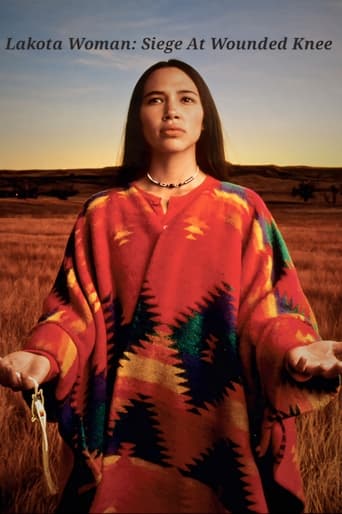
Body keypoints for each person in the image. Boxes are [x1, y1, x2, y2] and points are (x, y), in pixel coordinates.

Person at [0, 59, 341, 514]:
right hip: (122, 433)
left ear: (205, 120)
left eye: (186, 99)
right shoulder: (101, 214)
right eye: (155, 99)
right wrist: (40, 356)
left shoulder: (242, 210)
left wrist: (296, 352)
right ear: (137, 119)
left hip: (221, 428)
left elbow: (268, 313)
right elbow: (74, 314)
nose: (171, 111)